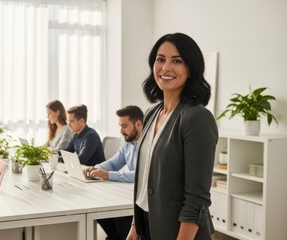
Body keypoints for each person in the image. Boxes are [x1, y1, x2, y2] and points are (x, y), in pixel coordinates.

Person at [126, 33, 218, 240]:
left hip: (179, 232)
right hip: (147, 227)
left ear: (190, 69)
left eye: (176, 61)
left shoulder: (197, 118)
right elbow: (145, 179)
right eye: (160, 59)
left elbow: (197, 196)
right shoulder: (151, 113)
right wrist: (135, 226)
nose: (165, 68)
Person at [83, 105, 143, 240]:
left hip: (139, 199)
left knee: (121, 221)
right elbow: (113, 163)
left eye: (125, 126)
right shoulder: (128, 143)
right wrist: (95, 169)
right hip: (129, 192)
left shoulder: (148, 144)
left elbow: (141, 175)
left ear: (138, 124)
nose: (121, 131)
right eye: (120, 126)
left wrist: (108, 175)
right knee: (96, 206)